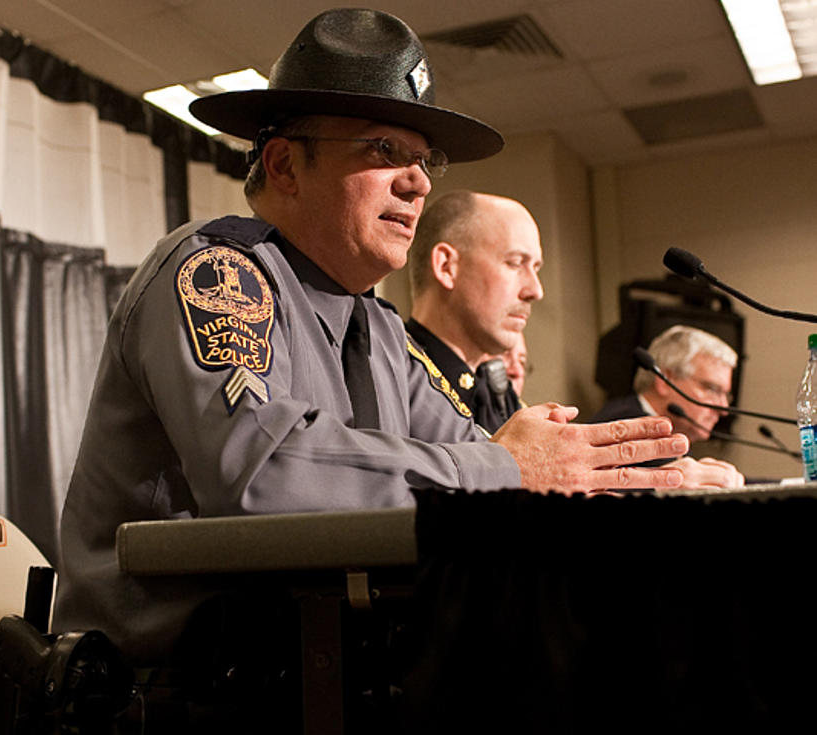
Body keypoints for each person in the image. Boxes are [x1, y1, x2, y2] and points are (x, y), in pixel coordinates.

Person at [53, 8, 690, 668]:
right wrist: (511, 467)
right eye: (383, 150)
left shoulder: (378, 327)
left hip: (313, 661)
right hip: (171, 681)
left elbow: (479, 453)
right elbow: (264, 476)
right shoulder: (217, 273)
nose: (418, 182)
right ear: (284, 164)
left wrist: (628, 484)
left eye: (423, 159)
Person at [406, 191, 540, 433]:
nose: (535, 290)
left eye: (536, 268)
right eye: (515, 263)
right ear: (447, 266)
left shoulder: (499, 394)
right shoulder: (395, 376)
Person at [590, 324, 744, 487]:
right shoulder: (621, 429)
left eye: (726, 395)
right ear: (665, 381)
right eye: (712, 389)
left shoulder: (671, 437)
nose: (723, 409)